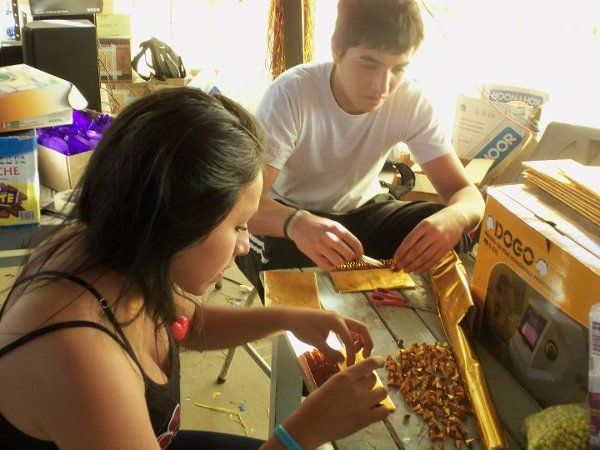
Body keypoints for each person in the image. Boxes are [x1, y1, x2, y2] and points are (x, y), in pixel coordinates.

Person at [0, 88, 391, 450]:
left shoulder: (125, 254)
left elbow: (187, 323)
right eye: (239, 226)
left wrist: (290, 319)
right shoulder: (83, 361)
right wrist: (304, 431)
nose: (244, 246)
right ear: (175, 221)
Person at [238, 0, 485, 296]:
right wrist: (295, 223)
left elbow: (467, 195)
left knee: (442, 235)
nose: (383, 85)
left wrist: (455, 218)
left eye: (398, 68)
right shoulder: (292, 94)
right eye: (369, 64)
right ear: (336, 50)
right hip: (286, 215)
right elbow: (241, 205)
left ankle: (427, 323)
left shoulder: (410, 100)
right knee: (300, 281)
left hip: (362, 211)